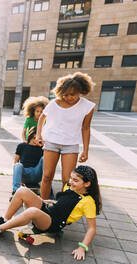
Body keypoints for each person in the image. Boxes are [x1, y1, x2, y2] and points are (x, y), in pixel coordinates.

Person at [0, 165, 101, 261]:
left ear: (87, 183)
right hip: (49, 209)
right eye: (71, 178)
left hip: (53, 223)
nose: (70, 182)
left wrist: (82, 247)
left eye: (75, 180)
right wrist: (45, 201)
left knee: (32, 211)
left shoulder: (88, 202)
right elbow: (62, 203)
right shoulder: (70, 187)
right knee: (22, 190)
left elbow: (92, 229)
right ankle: (4, 219)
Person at [36, 72, 95, 200]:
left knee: (68, 180)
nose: (69, 97)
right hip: (52, 142)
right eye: (65, 94)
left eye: (72, 94)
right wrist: (38, 135)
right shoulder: (54, 103)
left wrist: (85, 150)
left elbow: (85, 128)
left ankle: (62, 208)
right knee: (47, 176)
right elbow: (42, 118)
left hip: (71, 144)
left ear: (80, 91)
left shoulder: (87, 107)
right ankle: (43, 205)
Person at [11, 127, 43, 199]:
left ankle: (48, 189)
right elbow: (16, 160)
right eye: (34, 138)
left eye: (38, 138)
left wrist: (43, 147)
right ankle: (15, 192)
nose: (36, 140)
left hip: (36, 174)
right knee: (17, 165)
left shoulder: (42, 149)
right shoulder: (22, 146)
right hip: (25, 174)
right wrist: (19, 178)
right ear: (30, 136)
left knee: (44, 159)